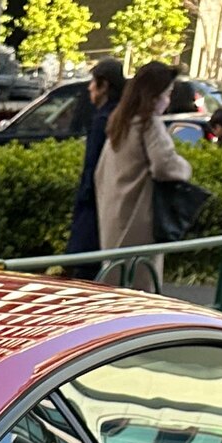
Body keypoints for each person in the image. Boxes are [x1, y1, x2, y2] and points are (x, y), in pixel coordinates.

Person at [94, 59, 191, 288]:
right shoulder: (149, 124)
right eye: (167, 94)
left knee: (115, 284)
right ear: (154, 95)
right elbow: (164, 165)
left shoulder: (121, 121)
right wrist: (186, 167)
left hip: (114, 215)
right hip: (139, 218)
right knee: (141, 287)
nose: (168, 101)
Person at [65, 58, 124, 282]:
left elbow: (92, 169)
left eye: (93, 82)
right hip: (110, 207)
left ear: (104, 85)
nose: (90, 87)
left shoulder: (103, 120)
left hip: (93, 210)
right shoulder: (120, 115)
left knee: (86, 272)